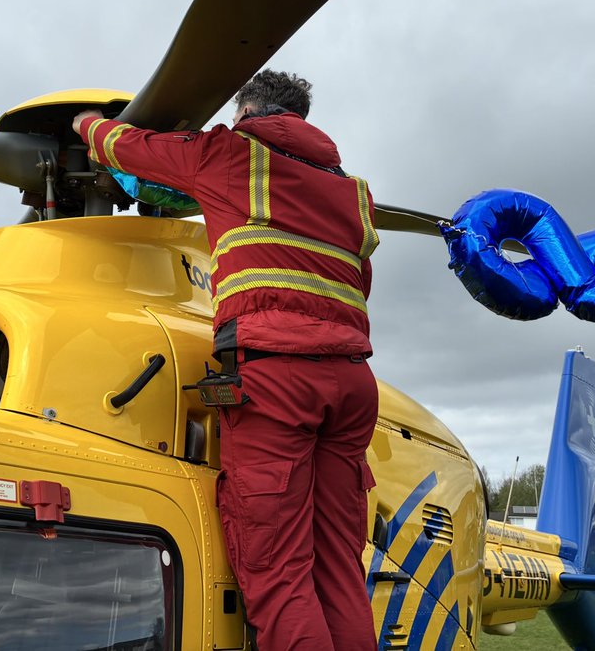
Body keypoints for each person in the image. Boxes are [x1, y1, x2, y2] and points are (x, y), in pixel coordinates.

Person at [73, 70, 379, 651]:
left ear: (248, 111)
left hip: (277, 378)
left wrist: (86, 124)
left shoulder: (234, 155)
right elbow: (356, 281)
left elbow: (127, 147)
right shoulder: (353, 193)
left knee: (278, 572)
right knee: (337, 565)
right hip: (352, 383)